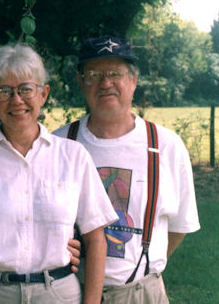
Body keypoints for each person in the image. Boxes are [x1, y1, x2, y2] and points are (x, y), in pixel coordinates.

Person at [0, 44, 118, 304]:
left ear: (43, 94)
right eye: (3, 90)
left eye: (26, 89)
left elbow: (96, 239)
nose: (16, 100)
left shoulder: (73, 156)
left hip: (58, 294)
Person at [53, 36, 201, 303]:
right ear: (80, 82)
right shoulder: (58, 143)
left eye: (115, 74)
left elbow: (180, 226)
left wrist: (145, 265)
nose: (105, 83)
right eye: (94, 74)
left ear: (133, 80)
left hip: (141, 293)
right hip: (68, 291)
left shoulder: (165, 145)